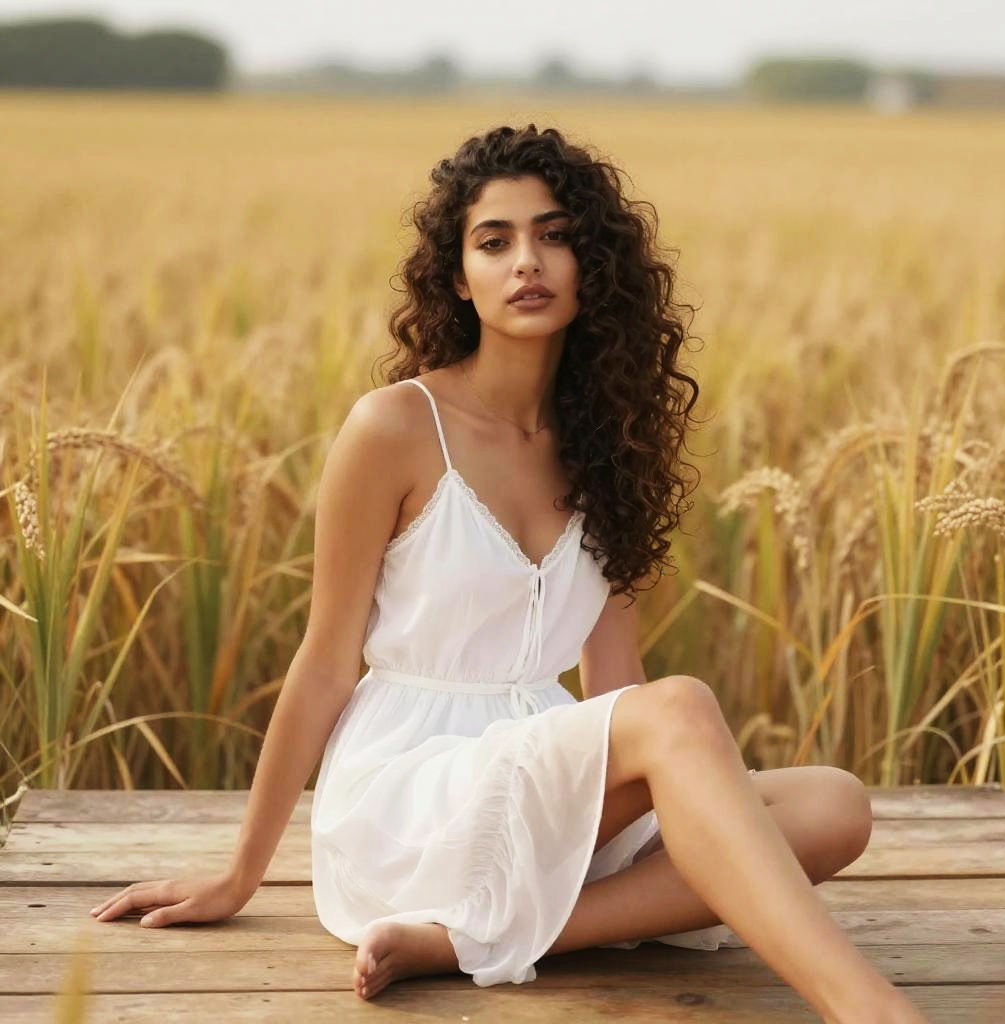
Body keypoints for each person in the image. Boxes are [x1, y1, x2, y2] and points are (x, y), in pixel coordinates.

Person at [87, 124, 929, 1023]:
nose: (527, 261)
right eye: (495, 242)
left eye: (555, 235)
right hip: (410, 796)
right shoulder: (396, 428)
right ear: (458, 276)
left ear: (592, 262)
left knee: (834, 808)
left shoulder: (613, 447)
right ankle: (870, 1010)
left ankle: (459, 942)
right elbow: (325, 662)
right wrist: (240, 870)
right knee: (685, 713)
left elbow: (616, 687)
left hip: (542, 778)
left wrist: (675, 803)